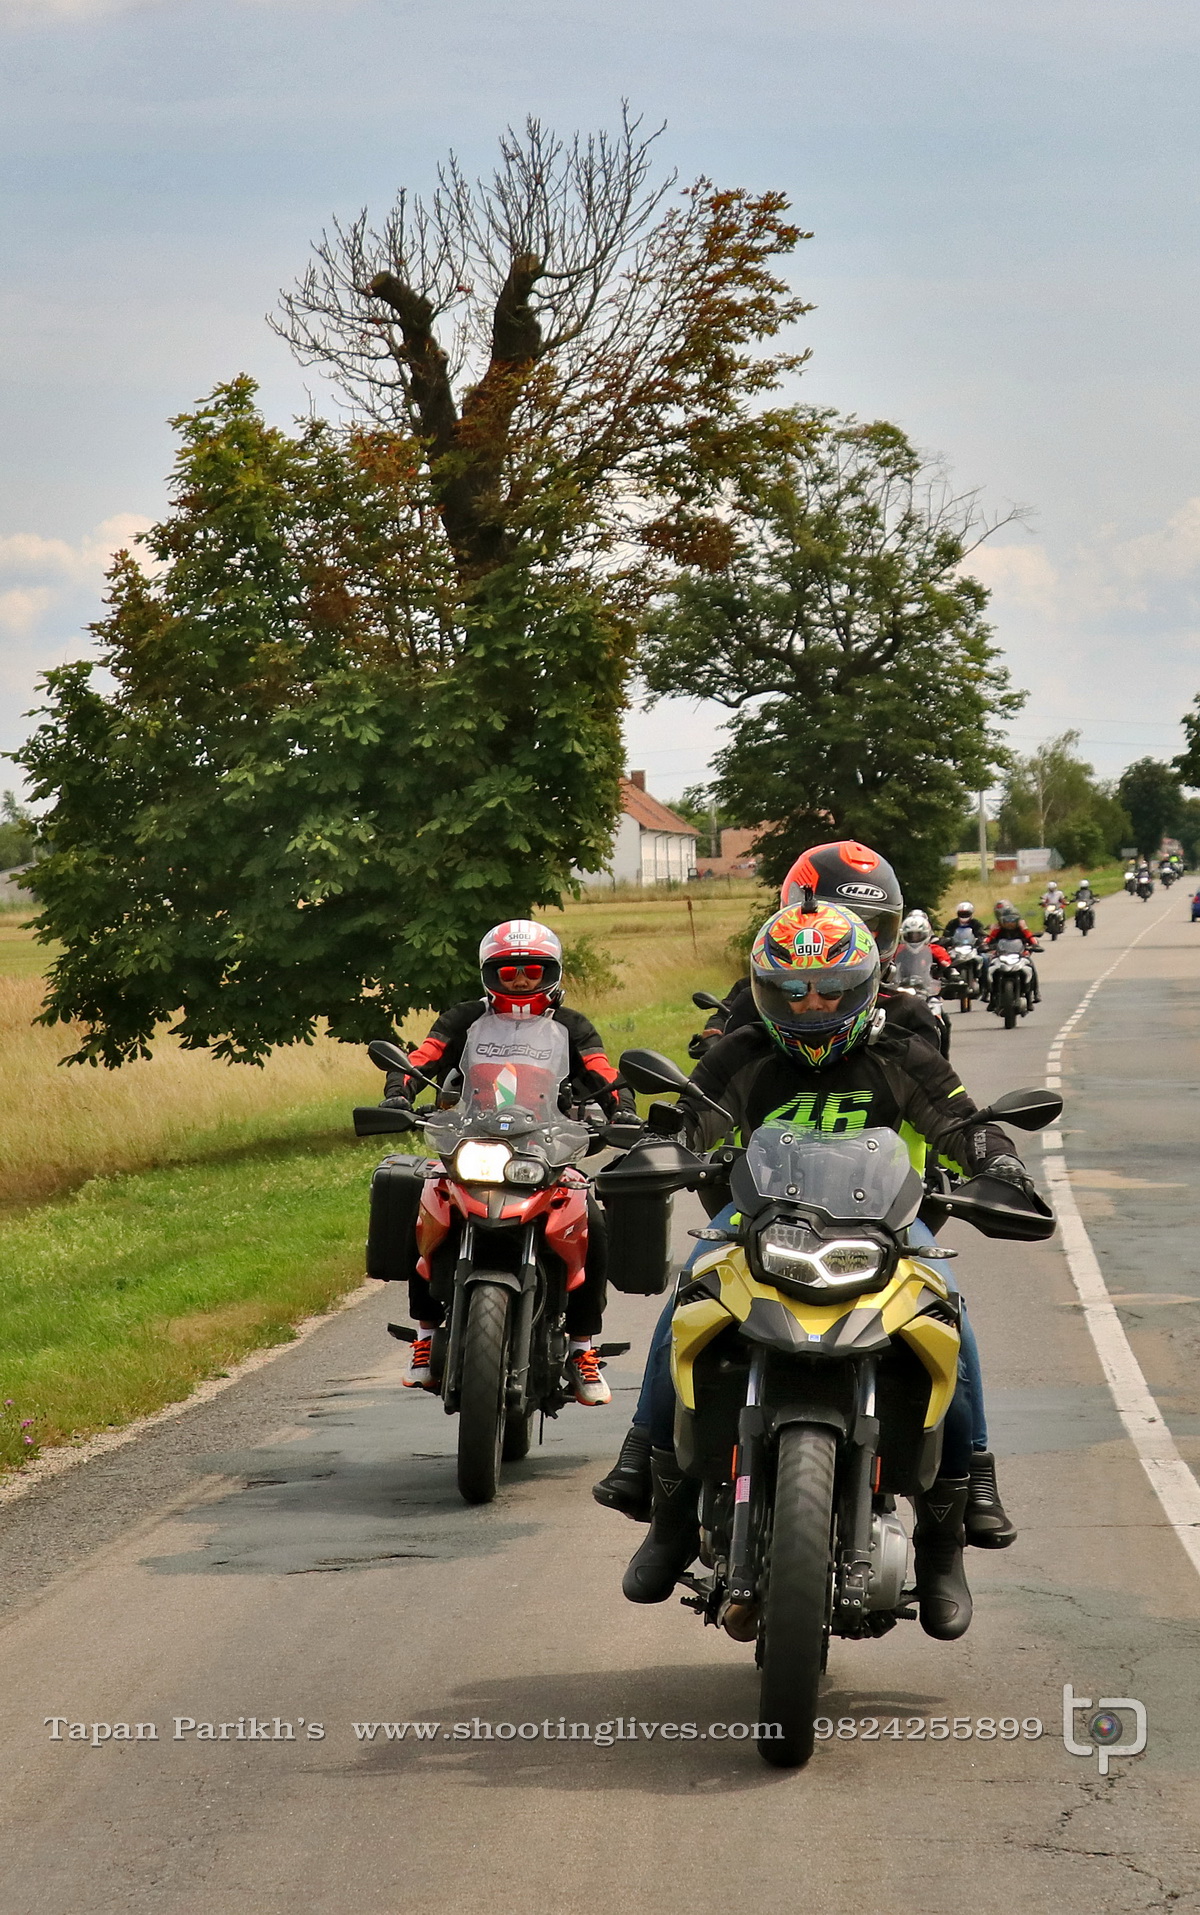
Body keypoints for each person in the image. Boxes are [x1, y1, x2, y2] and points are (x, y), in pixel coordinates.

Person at [616, 902, 1038, 1641]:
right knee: (688, 1295)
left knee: (949, 1310)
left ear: (865, 983)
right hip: (756, 1218)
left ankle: (954, 1524)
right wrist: (658, 1145)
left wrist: (998, 1163)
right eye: (793, 989)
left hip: (883, 1222)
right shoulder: (743, 1050)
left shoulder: (902, 1050)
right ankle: (660, 1498)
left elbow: (961, 1123)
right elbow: (692, 1116)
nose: (812, 1004)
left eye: (831, 988)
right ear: (765, 989)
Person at [381, 919, 635, 1405]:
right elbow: (424, 1058)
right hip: (473, 1140)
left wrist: (622, 1107)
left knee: (592, 1217)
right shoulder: (462, 1019)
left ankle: (582, 1346)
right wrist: (399, 1090)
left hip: (547, 1145)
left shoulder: (571, 1025)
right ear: (489, 974)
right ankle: (426, 1335)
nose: (520, 980)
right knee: (426, 1198)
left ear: (551, 973)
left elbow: (601, 1069)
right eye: (508, 971)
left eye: (532, 970)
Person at [982, 902, 1041, 1001]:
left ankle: (1035, 993)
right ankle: (988, 993)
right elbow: (989, 939)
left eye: (1013, 920)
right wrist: (984, 945)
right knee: (989, 968)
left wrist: (1034, 945)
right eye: (1007, 920)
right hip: (1000, 956)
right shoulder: (998, 930)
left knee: (1031, 966)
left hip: (1020, 956)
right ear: (1001, 920)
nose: (1010, 923)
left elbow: (1031, 938)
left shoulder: (1022, 930)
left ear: (1018, 920)